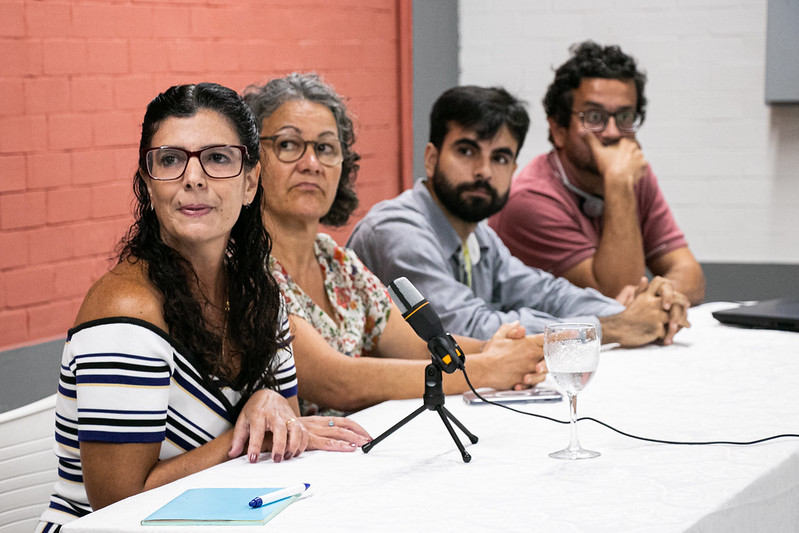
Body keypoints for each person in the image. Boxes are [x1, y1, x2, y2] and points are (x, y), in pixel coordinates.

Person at [36, 83, 370, 532]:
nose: (193, 178)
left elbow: (286, 435)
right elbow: (116, 502)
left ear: (251, 182)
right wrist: (242, 436)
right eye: (171, 160)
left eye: (217, 158)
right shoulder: (126, 313)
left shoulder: (259, 294)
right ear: (149, 184)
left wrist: (267, 400)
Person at [243, 73, 548, 416]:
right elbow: (336, 382)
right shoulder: (241, 268)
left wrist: (494, 349)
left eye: (325, 148)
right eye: (288, 145)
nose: (311, 164)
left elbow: (418, 346)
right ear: (251, 163)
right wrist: (487, 368)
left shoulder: (336, 262)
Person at [348, 85, 690, 346]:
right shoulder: (396, 231)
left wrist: (641, 313)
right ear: (432, 158)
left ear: (513, 167)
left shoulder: (478, 234)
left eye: (499, 158)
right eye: (466, 151)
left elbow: (547, 293)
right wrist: (616, 327)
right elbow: (468, 330)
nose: (483, 171)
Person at [490, 41, 705, 305]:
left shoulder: (633, 176)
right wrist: (618, 184)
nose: (613, 132)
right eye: (594, 117)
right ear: (558, 129)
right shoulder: (530, 198)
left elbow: (690, 273)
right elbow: (614, 300)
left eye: (625, 117)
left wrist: (666, 296)